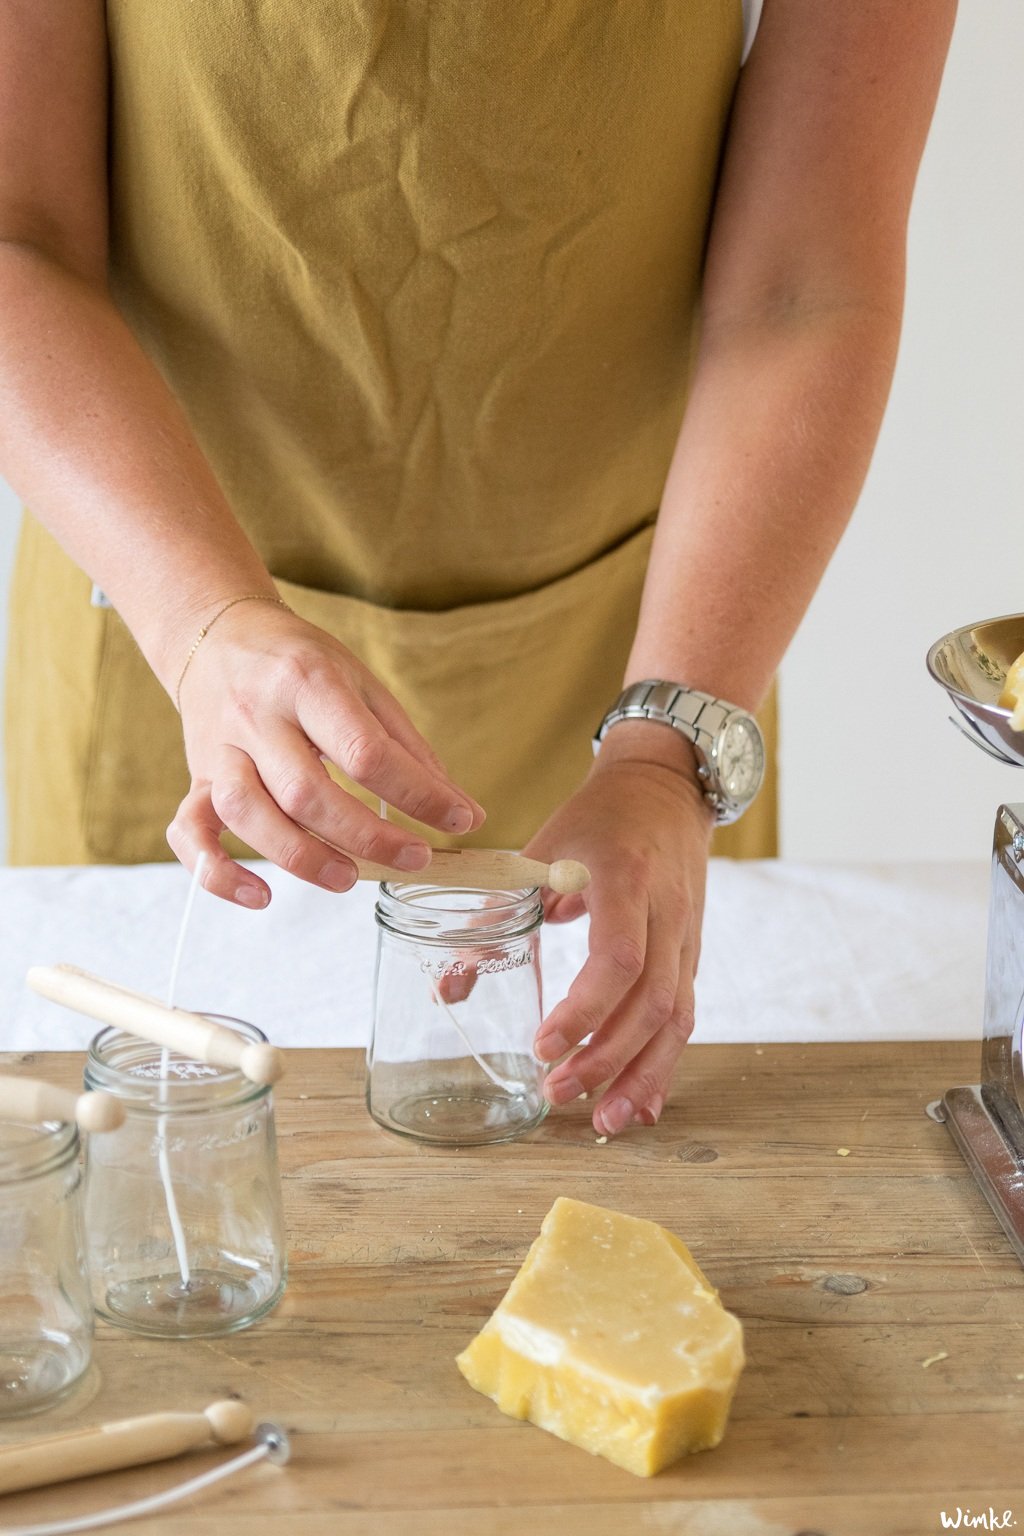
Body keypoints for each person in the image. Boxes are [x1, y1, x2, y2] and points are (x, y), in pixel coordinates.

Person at [0, 2, 956, 1136]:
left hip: (646, 660)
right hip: (166, 618)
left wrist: (665, 754)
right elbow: (18, 234)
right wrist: (199, 620)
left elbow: (805, 286)